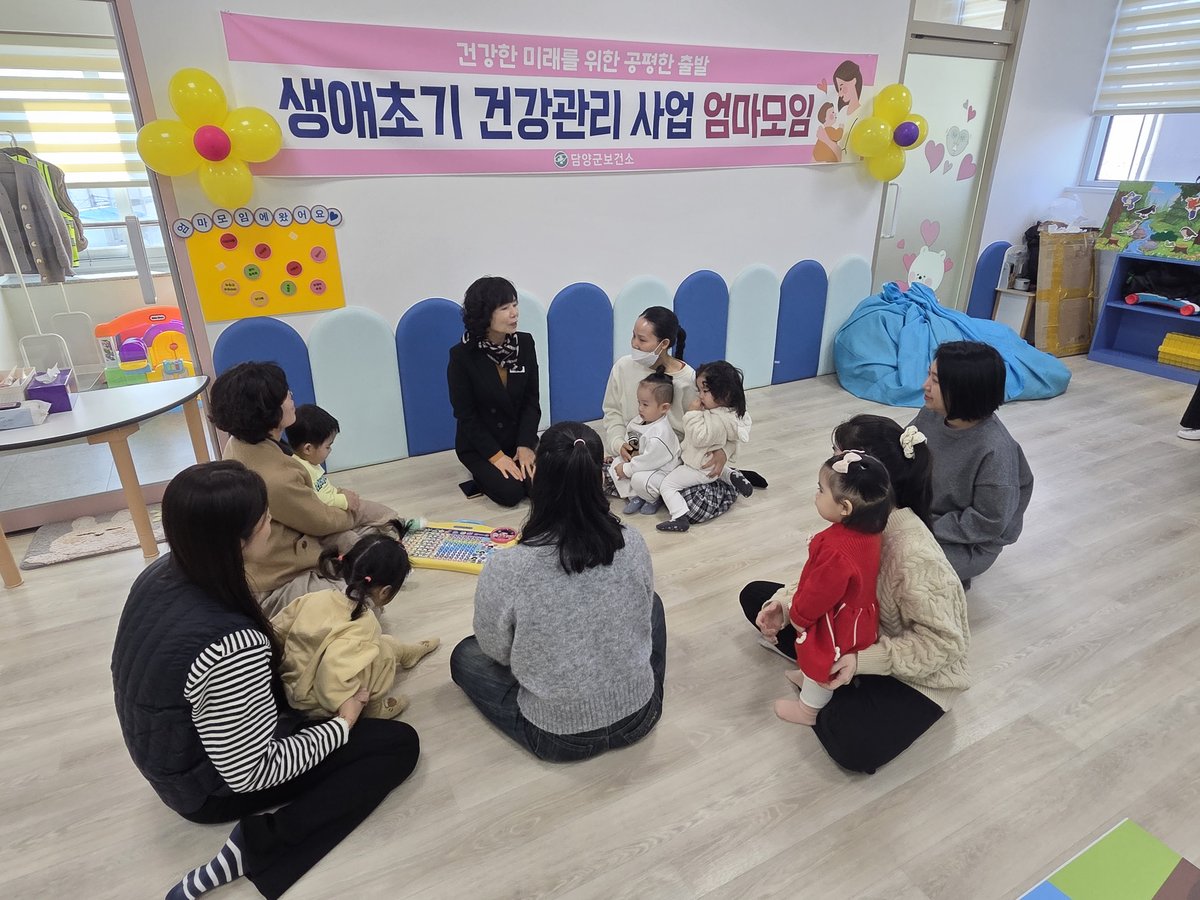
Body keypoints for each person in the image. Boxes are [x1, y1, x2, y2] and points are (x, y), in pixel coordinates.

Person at [112, 461, 419, 900]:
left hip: (170, 754)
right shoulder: (232, 644)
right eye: (264, 521)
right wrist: (343, 723)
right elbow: (254, 772)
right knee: (396, 745)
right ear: (235, 540)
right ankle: (258, 845)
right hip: (205, 789)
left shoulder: (161, 573)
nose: (272, 525)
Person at [739, 414, 970, 774]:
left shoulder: (914, 552)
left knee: (850, 743)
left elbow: (945, 645)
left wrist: (863, 661)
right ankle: (828, 679)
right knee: (756, 597)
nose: (829, 470)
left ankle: (830, 684)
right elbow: (822, 582)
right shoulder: (856, 521)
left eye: (838, 458)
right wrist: (783, 605)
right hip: (855, 633)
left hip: (914, 672)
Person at [449, 421, 666, 762]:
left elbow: (497, 651)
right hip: (640, 714)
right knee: (652, 604)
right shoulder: (633, 542)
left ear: (537, 476)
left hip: (557, 737)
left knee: (464, 655)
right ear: (600, 479)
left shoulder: (508, 566)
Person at [210, 362, 382, 617]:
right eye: (285, 394)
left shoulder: (239, 442)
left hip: (274, 557)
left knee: (367, 533)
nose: (291, 396)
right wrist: (351, 508)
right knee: (364, 608)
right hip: (280, 578)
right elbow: (321, 521)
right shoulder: (276, 477)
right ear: (268, 412)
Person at [767, 450, 893, 726]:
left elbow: (820, 592)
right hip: (855, 614)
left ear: (845, 508)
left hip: (835, 619)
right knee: (816, 658)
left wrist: (798, 616)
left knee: (822, 660)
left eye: (820, 490)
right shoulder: (869, 532)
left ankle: (808, 711)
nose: (816, 495)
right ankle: (807, 678)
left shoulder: (837, 550)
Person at [271, 524, 441, 721]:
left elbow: (276, 630)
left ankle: (406, 653)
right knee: (383, 656)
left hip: (288, 685)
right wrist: (348, 704)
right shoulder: (364, 624)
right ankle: (375, 710)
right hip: (318, 705)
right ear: (385, 592)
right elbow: (331, 674)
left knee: (380, 644)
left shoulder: (316, 597)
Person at [911, 341, 1034, 586]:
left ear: (963, 389)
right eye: (929, 375)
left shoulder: (995, 450)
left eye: (935, 381)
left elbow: (988, 523)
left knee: (904, 564)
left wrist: (921, 526)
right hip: (925, 514)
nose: (925, 385)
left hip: (971, 542)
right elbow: (903, 450)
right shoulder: (932, 413)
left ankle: (957, 577)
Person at [447, 276, 541, 507]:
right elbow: (466, 416)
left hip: (517, 438)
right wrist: (497, 457)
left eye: (515, 305)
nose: (514, 313)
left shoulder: (525, 344)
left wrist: (525, 445)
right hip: (481, 445)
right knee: (511, 493)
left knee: (539, 488)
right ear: (484, 314)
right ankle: (481, 472)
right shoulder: (462, 356)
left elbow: (531, 401)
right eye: (504, 308)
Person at [286, 403, 418, 534]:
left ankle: (400, 523)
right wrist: (344, 500)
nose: (330, 450)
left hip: (336, 510)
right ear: (308, 449)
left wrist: (340, 492)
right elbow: (314, 499)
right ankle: (391, 531)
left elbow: (324, 488)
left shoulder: (310, 461)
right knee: (351, 534)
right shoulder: (298, 469)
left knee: (367, 510)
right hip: (327, 521)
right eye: (328, 446)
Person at [655, 361, 754, 533]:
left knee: (667, 485)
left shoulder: (717, 420)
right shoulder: (730, 414)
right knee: (714, 467)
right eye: (699, 390)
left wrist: (692, 414)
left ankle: (679, 516)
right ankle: (731, 475)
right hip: (707, 461)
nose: (700, 396)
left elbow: (699, 438)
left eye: (705, 391)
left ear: (725, 394)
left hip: (698, 467)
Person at [610, 370, 682, 515]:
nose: (640, 408)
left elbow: (649, 461)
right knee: (615, 465)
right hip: (641, 463)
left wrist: (627, 469)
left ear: (664, 408)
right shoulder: (638, 421)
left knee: (639, 479)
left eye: (645, 404)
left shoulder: (660, 434)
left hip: (660, 470)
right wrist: (626, 453)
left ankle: (652, 499)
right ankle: (635, 496)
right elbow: (632, 440)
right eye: (639, 403)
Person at [832, 59, 864, 154]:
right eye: (838, 89)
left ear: (854, 81)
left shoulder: (864, 112)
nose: (840, 94)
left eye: (841, 88)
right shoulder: (842, 112)